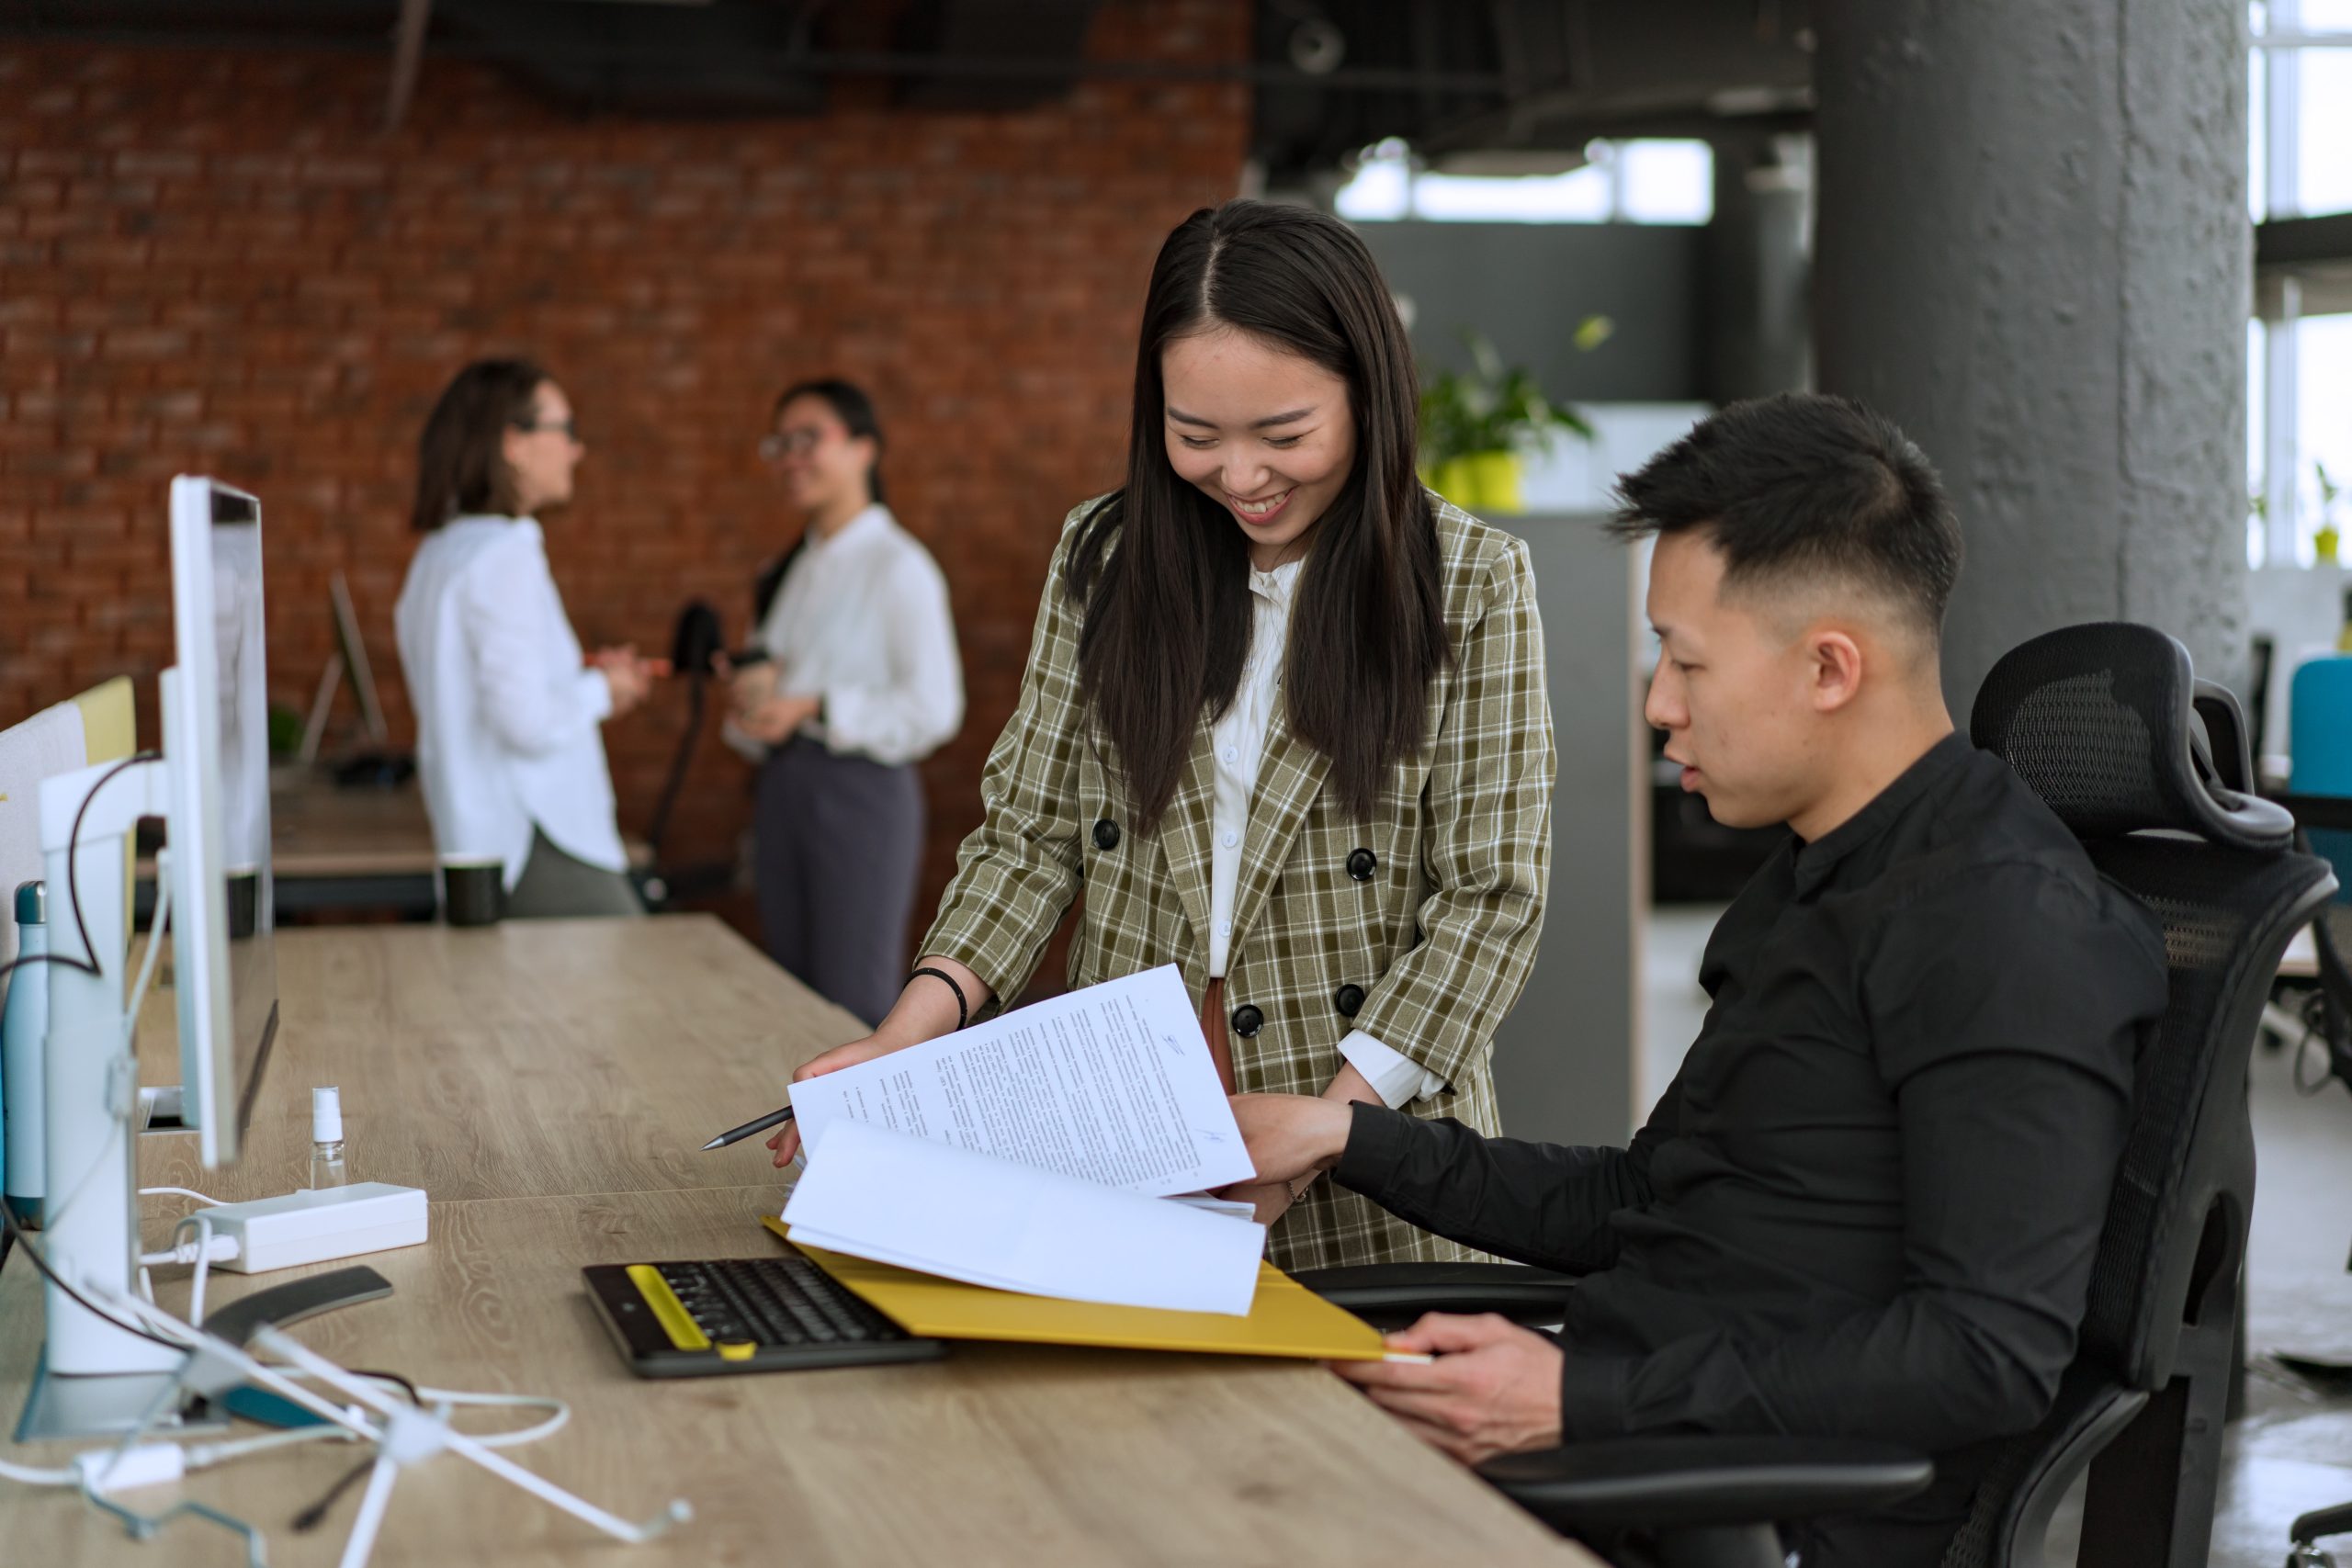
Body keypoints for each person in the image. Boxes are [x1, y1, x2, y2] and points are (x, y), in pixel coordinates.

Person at [1223, 392, 2171, 1566]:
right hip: (1641, 1458)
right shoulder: (1811, 880)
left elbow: (1983, 1352)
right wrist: (1340, 1137)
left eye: (1684, 658)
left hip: (1740, 1510)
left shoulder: (2008, 931)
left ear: (1830, 668)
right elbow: (1648, 1201)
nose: (1658, 702)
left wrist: (1576, 1403)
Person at [769, 199, 1558, 1274]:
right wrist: (905, 1038)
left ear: (1369, 396)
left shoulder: (1470, 582)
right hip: (1124, 1129)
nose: (1241, 477)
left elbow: (1488, 901)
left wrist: (1332, 1124)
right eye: (1197, 436)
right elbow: (1030, 837)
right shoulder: (1105, 558)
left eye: (1284, 435)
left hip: (1378, 1133)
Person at [722, 379, 964, 1026]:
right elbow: (760, 709)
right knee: (790, 993)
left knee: (852, 996)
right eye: (780, 443)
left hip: (861, 796)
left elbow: (935, 707)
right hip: (782, 789)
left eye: (809, 439)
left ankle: (864, 1128)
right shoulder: (783, 573)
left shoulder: (899, 566)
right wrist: (757, 707)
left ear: (864, 449)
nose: (790, 458)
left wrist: (815, 707)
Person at [395, 358, 662, 919]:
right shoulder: (505, 551)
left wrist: (580, 673)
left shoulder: (440, 552)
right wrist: (602, 690)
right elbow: (525, 722)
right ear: (513, 443)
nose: (576, 449)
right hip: (539, 837)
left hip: (477, 839)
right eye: (565, 430)